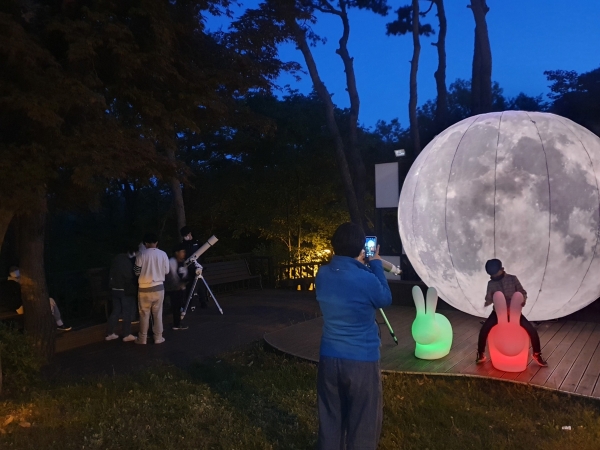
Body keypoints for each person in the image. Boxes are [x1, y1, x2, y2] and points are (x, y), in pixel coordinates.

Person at [315, 222, 392, 450]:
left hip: (329, 357)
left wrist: (361, 264)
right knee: (363, 423)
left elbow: (346, 278)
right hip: (361, 360)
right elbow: (384, 298)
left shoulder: (322, 274)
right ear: (361, 247)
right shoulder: (366, 279)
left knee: (330, 419)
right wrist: (375, 264)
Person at [476, 259, 548, 367]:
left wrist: (523, 300)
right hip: (498, 312)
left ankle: (537, 354)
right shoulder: (491, 283)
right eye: (492, 275)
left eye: (495, 274)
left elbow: (522, 292)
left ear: (502, 269)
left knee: (532, 330)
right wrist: (488, 301)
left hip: (514, 311)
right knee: (484, 330)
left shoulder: (512, 279)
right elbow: (489, 298)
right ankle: (480, 354)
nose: (494, 276)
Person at [1, 266, 71, 331]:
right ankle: (52, 323)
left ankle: (57, 323)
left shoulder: (20, 282)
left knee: (50, 301)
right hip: (20, 306)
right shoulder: (11, 285)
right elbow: (16, 300)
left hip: (28, 303)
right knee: (48, 304)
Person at [134, 233, 169, 344]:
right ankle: (158, 337)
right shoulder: (163, 254)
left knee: (144, 314)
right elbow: (167, 271)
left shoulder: (141, 254)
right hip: (159, 288)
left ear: (145, 243)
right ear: (157, 242)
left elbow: (137, 272)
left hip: (144, 289)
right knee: (158, 314)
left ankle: (142, 338)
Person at [105, 245, 138, 342]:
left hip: (114, 288)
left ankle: (110, 333)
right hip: (125, 289)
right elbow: (129, 275)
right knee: (127, 312)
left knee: (116, 310)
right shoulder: (126, 260)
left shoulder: (116, 259)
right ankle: (126, 334)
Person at [180, 226, 208, 309]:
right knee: (189, 286)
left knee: (200, 286)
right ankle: (189, 303)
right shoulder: (183, 244)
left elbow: (202, 254)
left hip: (197, 266)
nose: (185, 237)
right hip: (189, 268)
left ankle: (203, 302)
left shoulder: (197, 242)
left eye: (186, 235)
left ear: (190, 233)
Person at [165, 242, 189, 331]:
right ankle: (176, 324)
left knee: (178, 306)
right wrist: (179, 283)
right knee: (175, 306)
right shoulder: (171, 262)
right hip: (172, 288)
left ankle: (177, 322)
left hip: (179, 288)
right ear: (176, 252)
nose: (184, 254)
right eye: (182, 252)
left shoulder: (182, 262)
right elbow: (172, 276)